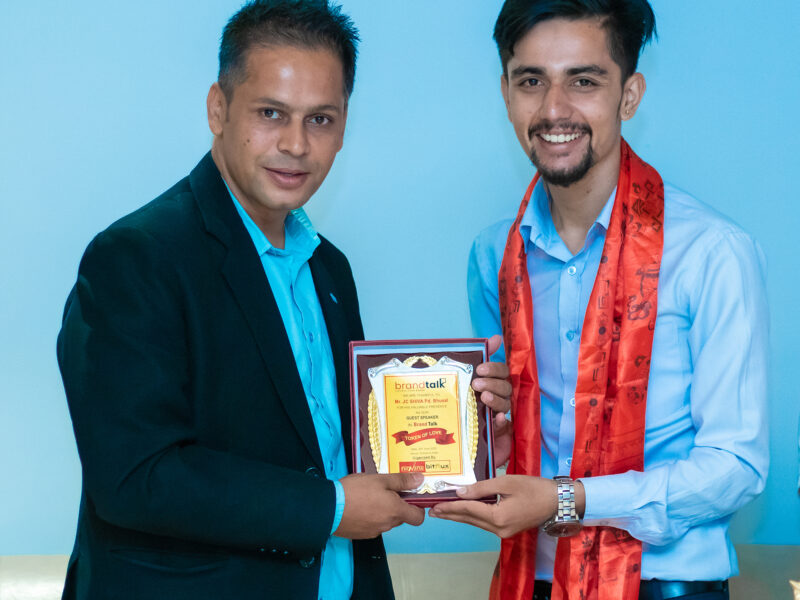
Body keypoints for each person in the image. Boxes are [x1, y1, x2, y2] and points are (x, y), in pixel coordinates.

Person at [56, 1, 511, 599]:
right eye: (271, 113)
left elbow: (330, 454)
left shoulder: (328, 267)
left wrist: (468, 442)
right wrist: (330, 507)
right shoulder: (137, 257)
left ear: (344, 127)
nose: (296, 144)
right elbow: (137, 477)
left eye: (320, 119)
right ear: (218, 108)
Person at [430, 2, 769, 600]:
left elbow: (736, 466)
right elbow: (504, 430)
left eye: (584, 81)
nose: (553, 109)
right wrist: (491, 438)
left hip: (667, 584)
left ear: (629, 95)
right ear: (506, 94)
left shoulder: (711, 252)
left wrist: (566, 500)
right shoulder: (493, 256)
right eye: (531, 81)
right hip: (532, 579)